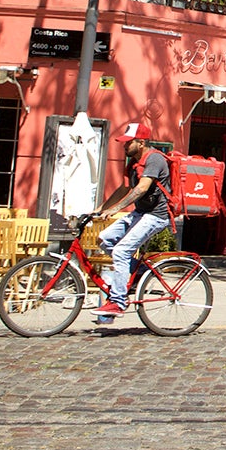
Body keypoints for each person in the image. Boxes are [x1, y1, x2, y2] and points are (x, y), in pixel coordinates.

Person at [88, 122, 173, 323]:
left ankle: (117, 302)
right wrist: (100, 209)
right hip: (141, 213)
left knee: (121, 251)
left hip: (156, 216)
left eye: (128, 143)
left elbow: (142, 188)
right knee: (105, 240)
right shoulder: (132, 162)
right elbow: (123, 189)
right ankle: (140, 272)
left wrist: (116, 209)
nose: (124, 146)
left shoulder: (154, 159)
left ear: (141, 142)